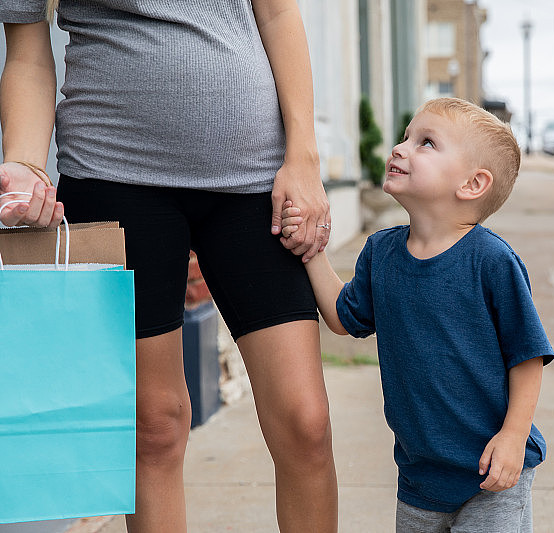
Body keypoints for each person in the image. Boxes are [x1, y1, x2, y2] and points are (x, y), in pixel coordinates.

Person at [0, 1, 338, 532]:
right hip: (112, 174)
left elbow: (277, 12)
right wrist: (23, 163)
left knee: (306, 423)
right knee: (153, 426)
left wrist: (304, 159)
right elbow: (26, 49)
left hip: (255, 180)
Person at [281, 97, 554, 532]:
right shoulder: (381, 252)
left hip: (492, 472)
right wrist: (312, 251)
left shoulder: (491, 261)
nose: (400, 148)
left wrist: (513, 437)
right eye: (406, 136)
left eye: (425, 142)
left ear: (471, 184)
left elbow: (528, 356)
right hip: (420, 475)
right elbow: (342, 316)